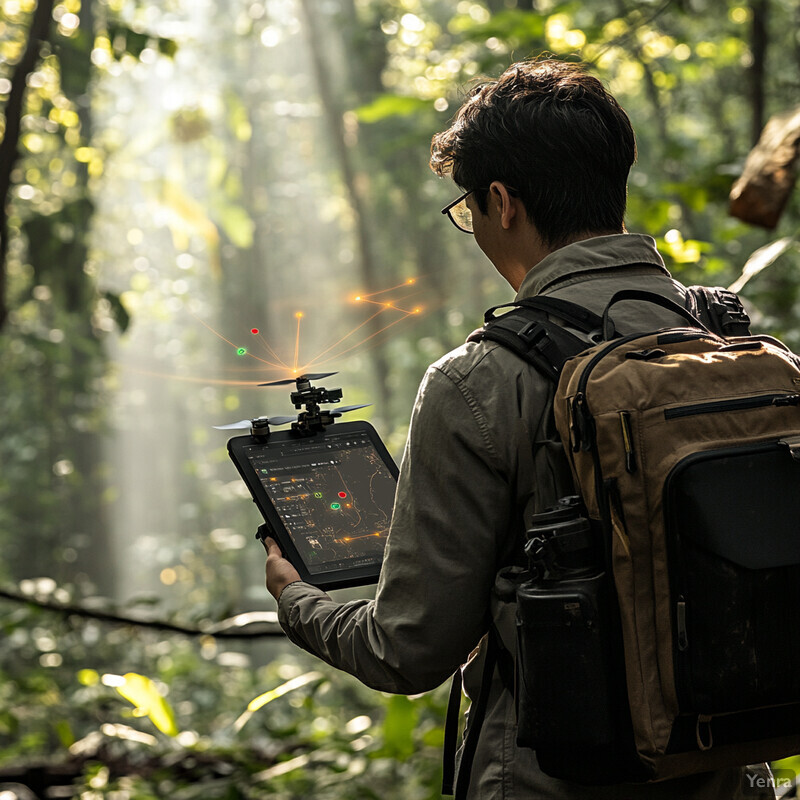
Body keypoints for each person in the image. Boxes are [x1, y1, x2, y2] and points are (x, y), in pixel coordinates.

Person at [262, 59, 775, 799]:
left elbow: (408, 651)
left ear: (502, 202)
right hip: (728, 777)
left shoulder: (477, 383)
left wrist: (296, 599)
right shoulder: (725, 344)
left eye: (467, 209)